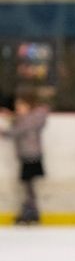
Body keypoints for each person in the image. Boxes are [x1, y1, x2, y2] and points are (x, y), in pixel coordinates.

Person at [0, 88, 49, 225]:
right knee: (28, 185)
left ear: (28, 106)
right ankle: (31, 210)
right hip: (27, 155)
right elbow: (20, 122)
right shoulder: (27, 118)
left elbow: (18, 130)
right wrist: (11, 115)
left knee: (29, 185)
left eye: (20, 106)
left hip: (31, 155)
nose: (18, 108)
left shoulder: (30, 119)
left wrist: (3, 132)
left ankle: (31, 210)